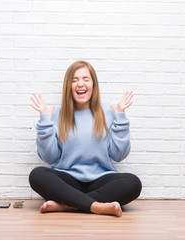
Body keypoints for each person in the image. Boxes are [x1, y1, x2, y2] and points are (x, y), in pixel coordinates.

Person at [28, 60, 142, 217]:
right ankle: (96, 206)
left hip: (101, 179)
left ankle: (68, 206)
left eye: (85, 79)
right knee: (37, 175)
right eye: (74, 80)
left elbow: (118, 155)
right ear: (68, 86)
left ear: (93, 84)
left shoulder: (108, 112)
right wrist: (45, 120)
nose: (80, 84)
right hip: (67, 180)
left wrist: (120, 117)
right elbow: (50, 157)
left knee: (133, 183)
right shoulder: (55, 114)